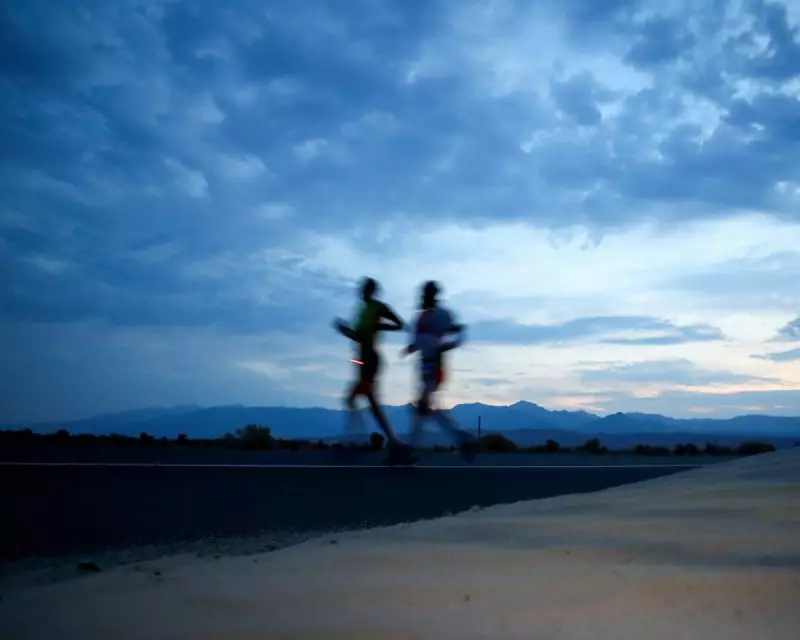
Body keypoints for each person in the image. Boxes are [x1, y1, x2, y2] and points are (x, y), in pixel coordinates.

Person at [333, 277, 417, 465]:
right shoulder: (362, 311)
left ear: (371, 290)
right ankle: (395, 445)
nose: (361, 292)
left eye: (364, 289)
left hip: (370, 359)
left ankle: (357, 442)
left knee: (355, 399)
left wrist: (380, 326)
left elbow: (401, 325)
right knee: (368, 403)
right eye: (361, 289)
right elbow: (358, 337)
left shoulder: (378, 307)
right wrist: (344, 330)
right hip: (362, 360)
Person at [401, 281, 476, 463]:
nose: (423, 297)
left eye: (426, 294)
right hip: (423, 366)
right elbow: (419, 341)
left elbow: (458, 336)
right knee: (423, 408)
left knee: (421, 408)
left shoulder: (442, 315)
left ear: (432, 295)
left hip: (435, 366)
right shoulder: (420, 318)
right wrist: (411, 348)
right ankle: (461, 438)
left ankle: (412, 448)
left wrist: (443, 347)